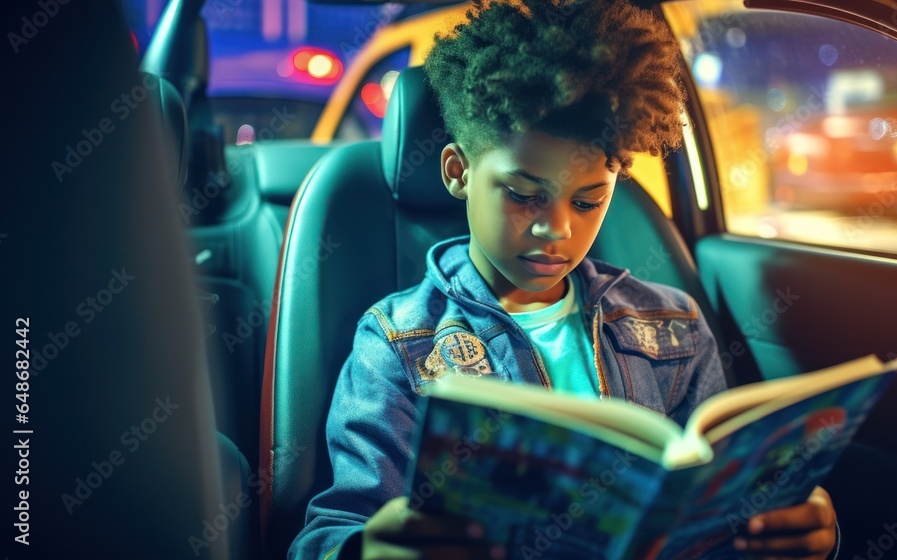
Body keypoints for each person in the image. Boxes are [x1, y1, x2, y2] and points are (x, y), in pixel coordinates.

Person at [288, 0, 839, 558]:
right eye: (525, 195)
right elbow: (330, 531)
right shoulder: (398, 342)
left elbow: (707, 508)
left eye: (588, 200)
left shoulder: (673, 325)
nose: (556, 229)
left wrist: (784, 529)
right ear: (457, 171)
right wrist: (366, 551)